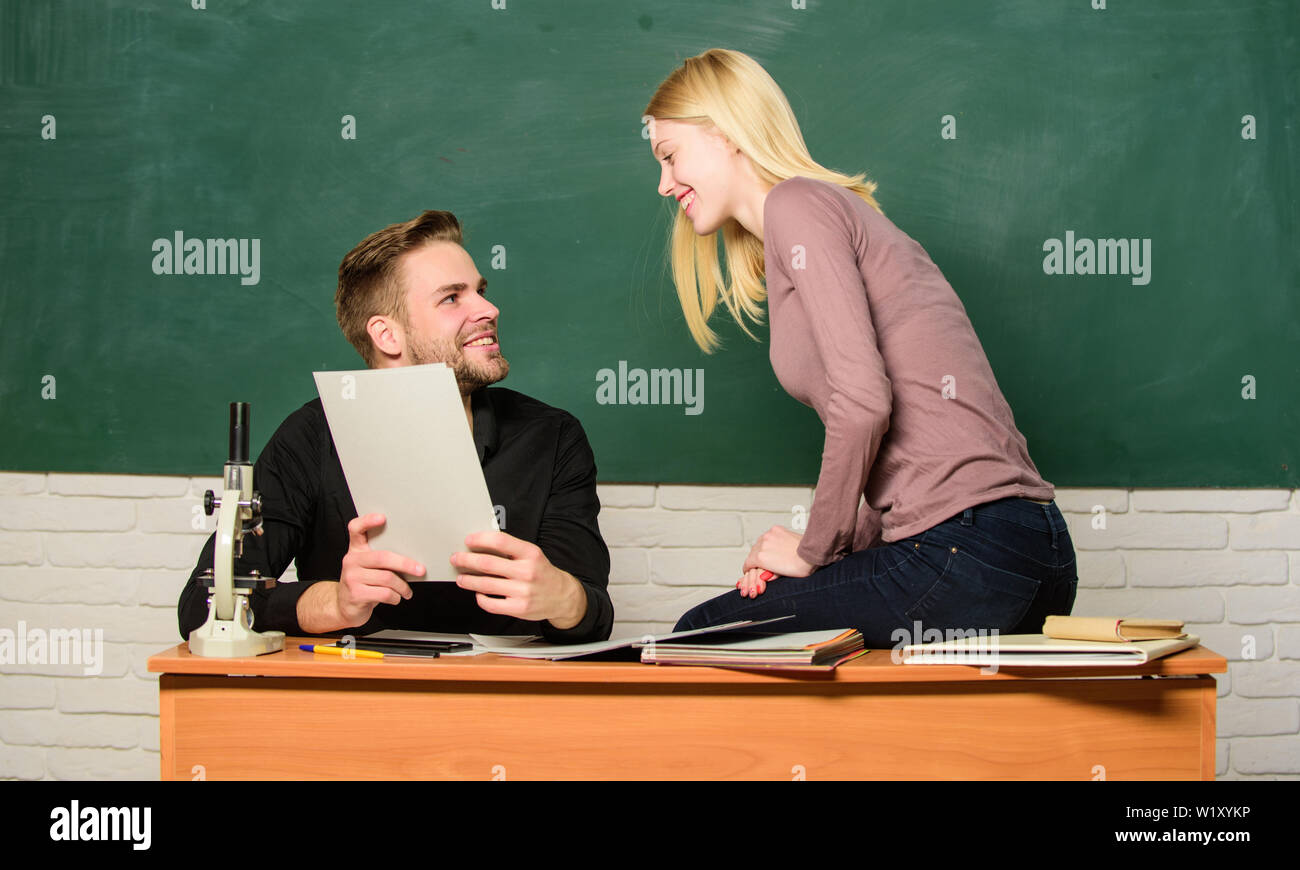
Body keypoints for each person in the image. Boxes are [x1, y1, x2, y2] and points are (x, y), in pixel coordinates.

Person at [644, 49, 1076, 647]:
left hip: (969, 551)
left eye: (669, 156)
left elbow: (865, 402)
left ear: (723, 132)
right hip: (1030, 552)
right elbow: (890, 440)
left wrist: (812, 547)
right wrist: (828, 556)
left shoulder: (797, 204)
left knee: (702, 634)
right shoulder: (816, 222)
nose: (664, 184)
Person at [177, 210, 613, 643]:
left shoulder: (552, 436)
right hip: (359, 702)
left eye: (480, 290)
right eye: (452, 298)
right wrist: (337, 603)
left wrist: (563, 598)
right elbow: (202, 607)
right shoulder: (311, 436)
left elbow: (594, 615)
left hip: (506, 702)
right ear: (387, 335)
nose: (489, 308)